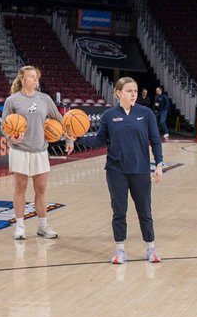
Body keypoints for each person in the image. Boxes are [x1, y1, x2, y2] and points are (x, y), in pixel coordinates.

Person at [66, 77, 164, 263]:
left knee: (145, 211)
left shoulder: (147, 113)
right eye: (129, 91)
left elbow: (155, 140)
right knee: (119, 212)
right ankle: (120, 251)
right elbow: (98, 141)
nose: (133, 94)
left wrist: (159, 164)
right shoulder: (109, 115)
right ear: (118, 93)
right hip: (116, 170)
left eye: (135, 90)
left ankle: (151, 249)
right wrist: (77, 139)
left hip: (140, 170)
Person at [2, 65, 63, 240]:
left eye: (36, 77)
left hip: (40, 150)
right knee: (20, 188)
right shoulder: (12, 100)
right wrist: (10, 137)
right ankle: (20, 226)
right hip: (19, 150)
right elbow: (4, 125)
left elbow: (60, 120)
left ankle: (43, 226)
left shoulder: (45, 99)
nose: (35, 80)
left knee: (41, 189)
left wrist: (69, 138)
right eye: (31, 77)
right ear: (22, 79)